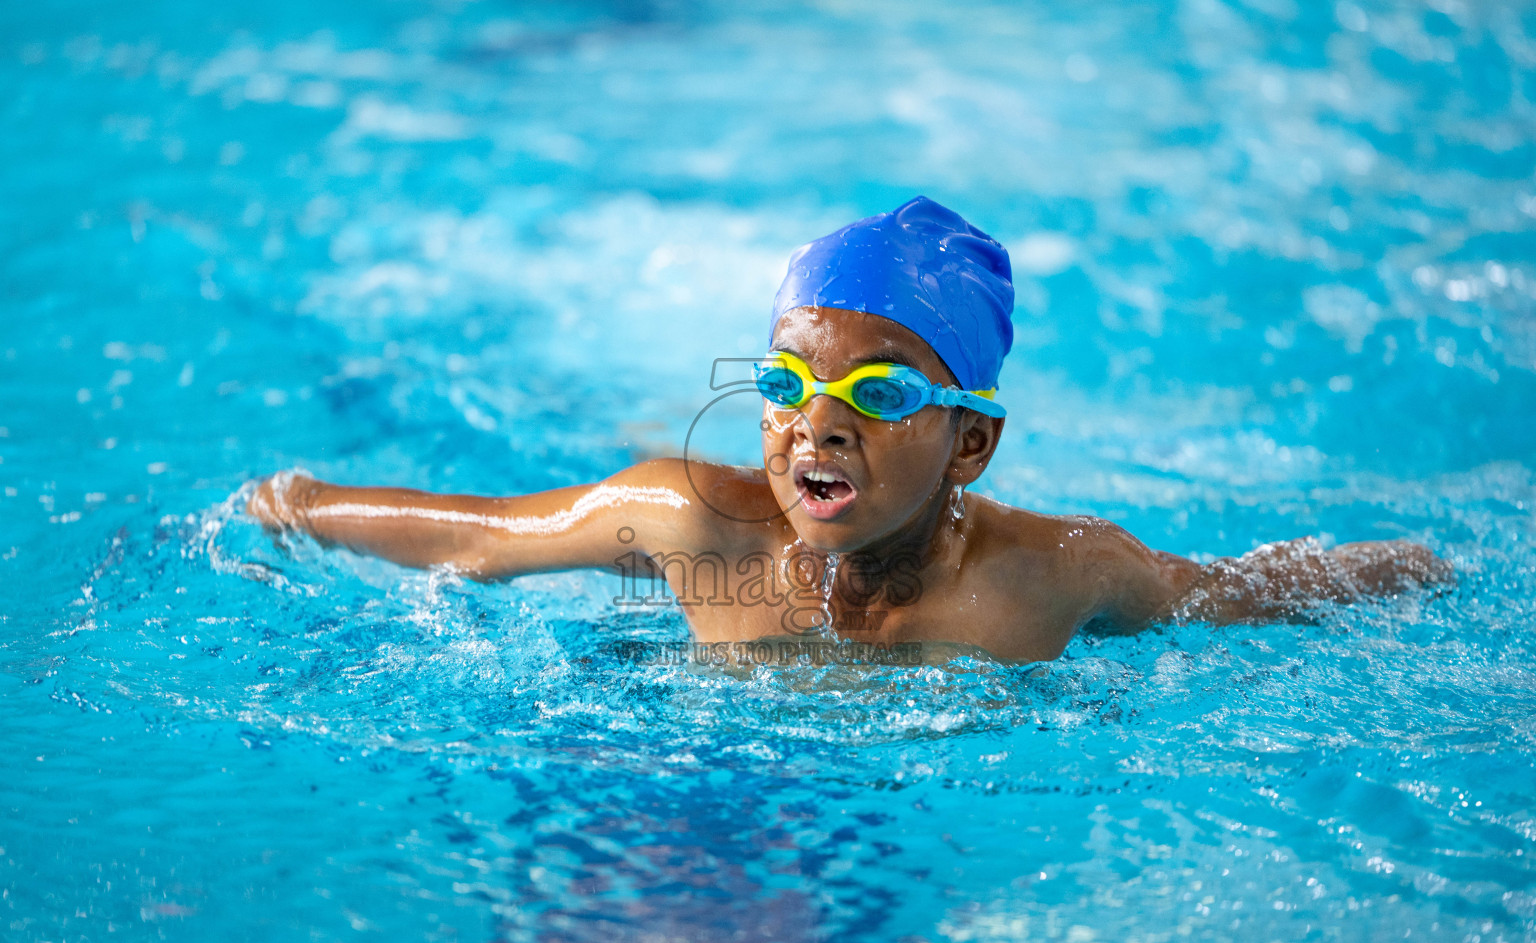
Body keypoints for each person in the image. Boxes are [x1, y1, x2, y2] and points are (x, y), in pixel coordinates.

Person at [247, 197, 1451, 664]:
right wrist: (301, 508)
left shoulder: (1050, 576)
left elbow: (1234, 589)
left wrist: (1414, 567)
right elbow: (487, 536)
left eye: (879, 396)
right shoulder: (690, 521)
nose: (814, 427)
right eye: (785, 384)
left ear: (970, 444)